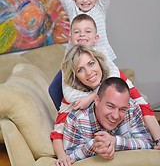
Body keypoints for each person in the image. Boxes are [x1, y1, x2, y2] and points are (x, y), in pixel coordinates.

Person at [50, 15, 160, 165]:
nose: (89, 72)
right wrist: (63, 156)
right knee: (54, 91)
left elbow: (144, 108)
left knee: (141, 103)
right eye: (81, 69)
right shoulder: (73, 104)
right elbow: (58, 132)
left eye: (91, 64)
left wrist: (158, 139)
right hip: (82, 121)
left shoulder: (113, 72)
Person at [63, 76, 154, 163]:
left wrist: (115, 142)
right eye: (110, 106)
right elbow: (70, 158)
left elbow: (148, 143)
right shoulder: (76, 119)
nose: (115, 116)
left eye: (122, 109)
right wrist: (95, 144)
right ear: (97, 101)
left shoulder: (132, 108)